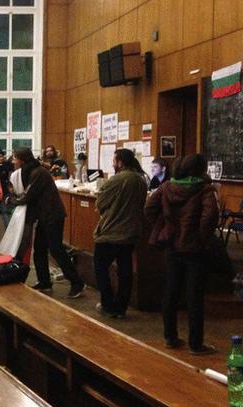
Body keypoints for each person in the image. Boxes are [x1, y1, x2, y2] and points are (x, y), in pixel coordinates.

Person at [145, 154, 219, 355]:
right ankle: (196, 344)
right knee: (194, 295)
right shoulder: (205, 189)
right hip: (195, 249)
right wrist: (202, 239)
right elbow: (210, 216)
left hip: (172, 246)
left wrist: (163, 228)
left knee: (170, 291)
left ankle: (170, 337)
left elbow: (149, 207)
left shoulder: (167, 186)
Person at [13, 147, 85, 298]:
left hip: (53, 216)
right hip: (44, 217)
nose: (14, 161)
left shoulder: (38, 173)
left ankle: (77, 283)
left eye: (16, 158)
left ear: (23, 160)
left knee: (56, 250)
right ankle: (44, 281)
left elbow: (28, 195)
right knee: (39, 250)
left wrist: (12, 200)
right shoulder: (32, 171)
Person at [93, 149, 148, 319]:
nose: (112, 163)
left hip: (111, 231)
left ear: (120, 162)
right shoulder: (141, 180)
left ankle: (107, 304)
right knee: (125, 270)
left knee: (101, 267)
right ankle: (121, 307)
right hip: (131, 232)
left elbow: (100, 202)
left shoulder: (117, 179)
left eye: (114, 160)